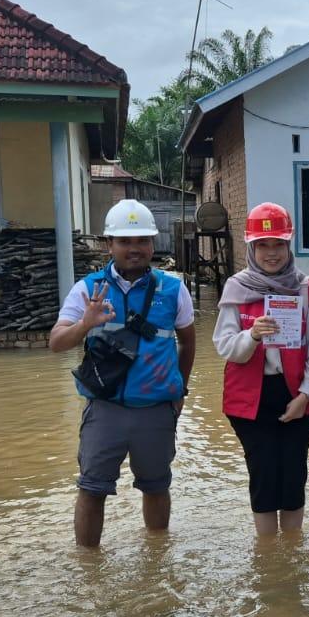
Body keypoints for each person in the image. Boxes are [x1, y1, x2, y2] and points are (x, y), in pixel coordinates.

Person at [50, 200, 196, 547]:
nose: (135, 249)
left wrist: (179, 392)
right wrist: (85, 323)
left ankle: (157, 557)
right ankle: (89, 567)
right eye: (125, 241)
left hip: (156, 410)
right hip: (105, 409)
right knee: (91, 489)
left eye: (143, 240)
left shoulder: (173, 289)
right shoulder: (89, 289)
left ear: (152, 244)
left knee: (157, 486)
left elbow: (188, 344)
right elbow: (56, 342)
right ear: (108, 244)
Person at [214, 202, 309, 536]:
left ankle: (291, 558)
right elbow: (225, 346)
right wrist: (251, 335)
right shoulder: (237, 289)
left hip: (297, 394)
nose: (271, 253)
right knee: (264, 475)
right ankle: (268, 559)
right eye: (263, 245)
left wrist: (304, 396)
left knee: (294, 476)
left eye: (278, 244)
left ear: (288, 245)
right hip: (250, 400)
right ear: (251, 247)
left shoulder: (306, 288)